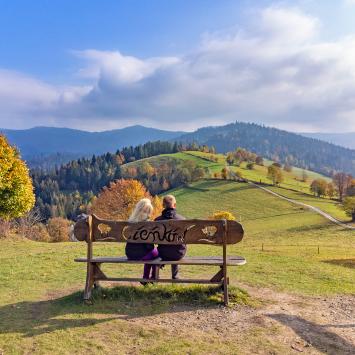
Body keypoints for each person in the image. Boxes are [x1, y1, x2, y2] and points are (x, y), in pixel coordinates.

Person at [125, 198, 159, 281]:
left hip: (129, 253)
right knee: (156, 254)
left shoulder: (130, 221)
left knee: (152, 254)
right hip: (141, 255)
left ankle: (146, 278)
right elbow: (149, 246)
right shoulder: (147, 224)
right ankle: (153, 278)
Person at [155, 195, 186, 279]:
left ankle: (155, 275)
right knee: (177, 247)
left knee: (167, 248)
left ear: (163, 205)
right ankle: (175, 276)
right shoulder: (182, 220)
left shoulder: (157, 220)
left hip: (163, 254)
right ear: (174, 205)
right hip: (178, 254)